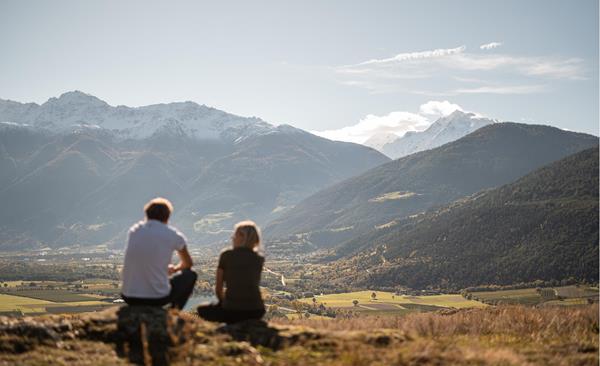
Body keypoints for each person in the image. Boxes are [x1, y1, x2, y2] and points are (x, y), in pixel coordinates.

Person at [121, 197, 197, 309]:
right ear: (168, 216)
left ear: (147, 214)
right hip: (156, 298)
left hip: (129, 296)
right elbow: (188, 263)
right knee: (190, 274)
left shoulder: (134, 231)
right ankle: (174, 312)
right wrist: (174, 269)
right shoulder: (173, 235)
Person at [197, 221, 265, 324]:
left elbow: (218, 289)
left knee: (201, 309)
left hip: (232, 310)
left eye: (235, 234)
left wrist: (224, 303)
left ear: (242, 237)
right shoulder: (259, 258)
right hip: (257, 310)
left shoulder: (226, 255)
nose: (232, 237)